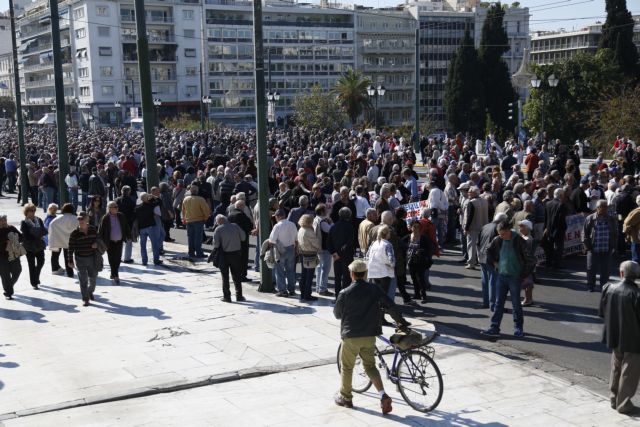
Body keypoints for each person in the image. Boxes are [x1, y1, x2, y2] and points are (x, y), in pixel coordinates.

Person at [333, 259, 409, 413]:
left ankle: (346, 397)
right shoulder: (374, 289)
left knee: (347, 366)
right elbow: (390, 306)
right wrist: (401, 322)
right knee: (370, 366)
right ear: (365, 274)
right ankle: (383, 395)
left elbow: (337, 314)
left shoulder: (344, 293)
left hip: (351, 335)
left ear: (352, 274)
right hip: (369, 335)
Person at [481, 220, 536, 338]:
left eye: (502, 234)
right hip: (501, 275)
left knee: (516, 304)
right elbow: (488, 251)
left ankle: (518, 328)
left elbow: (531, 260)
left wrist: (522, 274)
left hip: (515, 277)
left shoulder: (519, 241)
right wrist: (494, 263)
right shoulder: (498, 240)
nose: (501, 236)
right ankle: (494, 327)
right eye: (499, 234)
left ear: (508, 231)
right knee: (498, 303)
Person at [599, 260, 640, 415]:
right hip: (633, 339)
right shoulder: (636, 294)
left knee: (616, 367)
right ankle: (623, 404)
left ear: (621, 273)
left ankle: (614, 398)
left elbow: (602, 313)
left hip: (614, 335)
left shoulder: (608, 288)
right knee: (629, 372)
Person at [583, 200, 618, 292]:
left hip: (607, 248)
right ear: (598, 208)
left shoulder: (611, 219)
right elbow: (584, 234)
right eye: (603, 207)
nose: (605, 209)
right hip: (593, 248)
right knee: (591, 269)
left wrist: (614, 246)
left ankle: (604, 286)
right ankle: (590, 286)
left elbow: (615, 233)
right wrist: (587, 247)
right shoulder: (590, 218)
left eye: (606, 207)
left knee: (605, 270)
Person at [212, 214, 247, 302]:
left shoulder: (218, 229)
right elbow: (243, 238)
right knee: (237, 275)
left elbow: (216, 244)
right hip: (236, 254)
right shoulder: (235, 226)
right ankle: (239, 295)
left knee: (225, 276)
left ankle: (227, 297)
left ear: (219, 221)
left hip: (224, 255)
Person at [68, 212, 100, 306]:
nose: (80, 221)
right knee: (83, 279)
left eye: (82, 219)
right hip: (80, 258)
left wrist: (96, 244)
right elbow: (70, 247)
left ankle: (90, 291)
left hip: (92, 258)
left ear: (87, 220)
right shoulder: (74, 233)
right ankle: (85, 298)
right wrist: (70, 260)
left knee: (93, 279)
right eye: (79, 219)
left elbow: (98, 239)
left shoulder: (93, 229)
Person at [478, 212, 508, 310]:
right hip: (491, 258)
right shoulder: (498, 229)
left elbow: (478, 242)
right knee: (493, 282)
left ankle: (486, 303)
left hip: (482, 256)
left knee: (485, 281)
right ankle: (493, 305)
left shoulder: (485, 226)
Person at [99, 201, 131, 285]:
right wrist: (100, 241)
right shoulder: (105, 218)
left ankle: (113, 273)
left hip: (119, 241)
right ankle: (115, 275)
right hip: (109, 241)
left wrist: (129, 236)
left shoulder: (121, 216)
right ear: (109, 208)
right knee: (111, 258)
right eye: (114, 207)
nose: (116, 208)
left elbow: (126, 226)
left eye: (116, 206)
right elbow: (101, 230)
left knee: (118, 258)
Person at [269, 209, 298, 297]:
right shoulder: (292, 224)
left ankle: (282, 290)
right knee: (290, 271)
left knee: (280, 271)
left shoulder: (277, 226)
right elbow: (296, 239)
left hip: (280, 250)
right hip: (291, 248)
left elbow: (272, 240)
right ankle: (292, 289)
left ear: (278, 216)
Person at [329, 207, 356, 300]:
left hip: (336, 256)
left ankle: (337, 296)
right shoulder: (350, 227)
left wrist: (334, 253)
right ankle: (345, 297)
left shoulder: (333, 226)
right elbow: (350, 242)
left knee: (337, 278)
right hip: (347, 256)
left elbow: (329, 242)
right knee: (346, 278)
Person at [404, 220, 433, 303]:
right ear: (411, 228)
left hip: (420, 261)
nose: (416, 229)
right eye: (414, 227)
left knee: (421, 278)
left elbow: (429, 248)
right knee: (413, 278)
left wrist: (421, 251)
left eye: (418, 227)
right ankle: (417, 294)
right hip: (411, 261)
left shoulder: (423, 237)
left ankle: (423, 295)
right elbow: (401, 243)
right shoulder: (408, 237)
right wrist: (407, 249)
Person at [48, 203, 78, 278]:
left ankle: (55, 269)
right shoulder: (75, 218)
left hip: (57, 239)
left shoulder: (56, 219)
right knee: (68, 256)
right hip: (70, 241)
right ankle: (70, 273)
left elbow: (51, 226)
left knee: (55, 255)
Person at [21, 203, 46, 290]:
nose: (33, 212)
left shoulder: (39, 220)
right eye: (31, 210)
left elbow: (44, 230)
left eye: (34, 210)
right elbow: (26, 235)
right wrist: (37, 234)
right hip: (29, 247)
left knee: (41, 262)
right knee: (31, 265)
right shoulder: (24, 222)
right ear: (26, 212)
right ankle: (34, 283)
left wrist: (37, 233)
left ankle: (36, 276)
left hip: (39, 245)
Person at [181, 184, 211, 259]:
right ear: (197, 191)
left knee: (190, 237)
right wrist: (205, 218)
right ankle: (199, 253)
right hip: (198, 220)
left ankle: (191, 252)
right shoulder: (200, 199)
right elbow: (206, 210)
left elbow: (183, 210)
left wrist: (184, 219)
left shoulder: (185, 199)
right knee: (198, 237)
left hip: (188, 220)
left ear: (190, 191)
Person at [297, 214, 321, 302]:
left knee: (303, 275)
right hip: (310, 255)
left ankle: (302, 293)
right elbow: (317, 245)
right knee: (309, 276)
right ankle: (307, 294)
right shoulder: (309, 232)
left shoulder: (301, 229)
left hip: (303, 254)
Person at [463, 186, 488, 270]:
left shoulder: (472, 202)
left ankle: (471, 263)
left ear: (475, 193)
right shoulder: (485, 201)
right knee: (480, 246)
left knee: (471, 245)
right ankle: (481, 262)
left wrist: (466, 228)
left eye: (470, 191)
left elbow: (469, 216)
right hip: (484, 226)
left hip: (473, 227)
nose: (468, 193)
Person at [135, 193, 163, 266]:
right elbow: (160, 201)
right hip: (150, 227)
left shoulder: (137, 208)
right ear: (147, 198)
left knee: (143, 245)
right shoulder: (150, 205)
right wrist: (153, 196)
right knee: (154, 244)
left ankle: (144, 261)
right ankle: (156, 260)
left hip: (142, 228)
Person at [542, 188, 567, 269]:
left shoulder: (547, 203)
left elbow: (545, 218)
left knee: (549, 247)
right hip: (558, 229)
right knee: (558, 247)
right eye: (563, 195)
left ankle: (548, 263)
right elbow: (561, 220)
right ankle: (556, 264)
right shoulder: (561, 205)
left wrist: (545, 228)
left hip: (549, 229)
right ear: (560, 195)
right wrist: (564, 229)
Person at [0, 214, 23, 300]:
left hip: (14, 254)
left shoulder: (11, 228)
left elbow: (21, 237)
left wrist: (15, 239)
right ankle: (8, 292)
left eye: (4, 220)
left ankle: (9, 286)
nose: (3, 222)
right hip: (2, 257)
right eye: (1, 221)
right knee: (5, 275)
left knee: (17, 271)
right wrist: (5, 241)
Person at [313, 203, 333, 297]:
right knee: (325, 269)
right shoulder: (323, 222)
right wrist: (331, 222)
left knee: (319, 268)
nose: (327, 211)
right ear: (322, 211)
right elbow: (331, 230)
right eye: (326, 209)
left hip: (318, 247)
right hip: (324, 248)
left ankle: (318, 287)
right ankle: (322, 289)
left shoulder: (315, 219)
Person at [116, 186, 136, 264]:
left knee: (118, 242)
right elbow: (134, 213)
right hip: (128, 224)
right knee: (128, 242)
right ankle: (127, 258)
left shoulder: (117, 200)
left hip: (118, 223)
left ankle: (118, 257)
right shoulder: (131, 201)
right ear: (129, 192)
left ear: (121, 191)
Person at [518, 220, 536, 307]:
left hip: (527, 264)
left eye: (522, 226)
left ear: (527, 228)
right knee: (528, 281)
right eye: (520, 226)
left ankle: (527, 299)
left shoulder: (528, 239)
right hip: (526, 263)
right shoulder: (524, 237)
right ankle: (529, 299)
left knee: (527, 282)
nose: (520, 228)